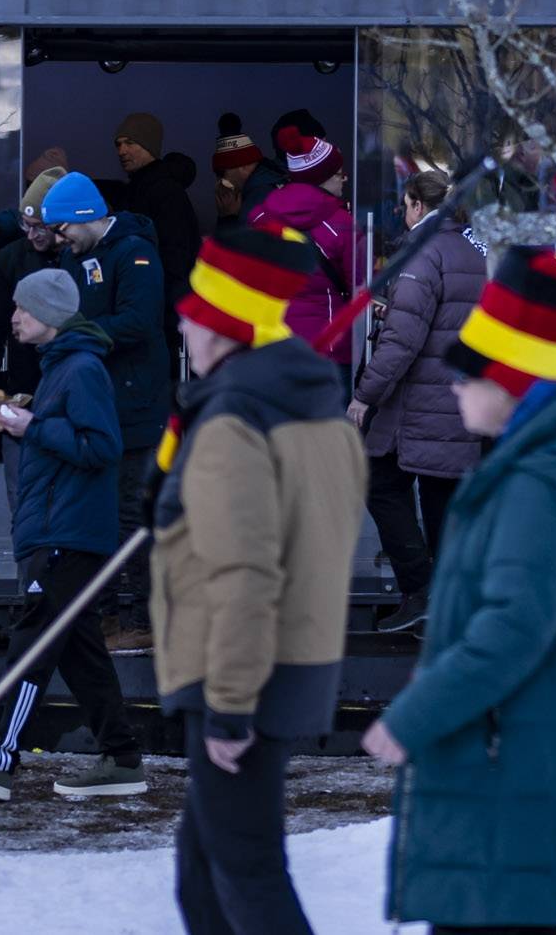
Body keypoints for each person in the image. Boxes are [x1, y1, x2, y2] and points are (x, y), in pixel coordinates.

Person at [363, 249, 556, 933]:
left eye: (469, 373)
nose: (456, 389)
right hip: (522, 761)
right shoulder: (539, 466)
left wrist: (412, 715)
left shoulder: (538, 483)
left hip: (510, 766)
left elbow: (512, 629)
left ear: (509, 381)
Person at [157, 223, 367, 935]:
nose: (183, 318)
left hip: (241, 673)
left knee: (246, 871)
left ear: (224, 329)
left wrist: (230, 706)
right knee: (203, 872)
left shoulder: (234, 423)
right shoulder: (319, 410)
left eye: (197, 309)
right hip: (283, 665)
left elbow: (245, 573)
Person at [0, 266, 148, 799]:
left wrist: (31, 426)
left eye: (24, 309)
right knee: (81, 654)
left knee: (33, 645)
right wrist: (19, 418)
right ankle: (123, 760)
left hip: (66, 535)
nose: (13, 317)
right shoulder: (65, 367)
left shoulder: (79, 369)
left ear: (51, 317)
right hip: (65, 531)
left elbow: (101, 447)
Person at [0, 167, 171, 552]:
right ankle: (95, 606)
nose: (55, 239)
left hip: (134, 406)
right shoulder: (68, 257)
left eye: (58, 228)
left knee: (132, 514)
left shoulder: (135, 251)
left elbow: (138, 321)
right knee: (93, 515)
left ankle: (138, 610)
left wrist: (72, 338)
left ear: (81, 217)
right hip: (82, 405)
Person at [347, 162, 478, 635]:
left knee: (381, 484)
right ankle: (446, 607)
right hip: (463, 399)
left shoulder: (422, 255)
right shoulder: (472, 246)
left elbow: (402, 340)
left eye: (404, 206)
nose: (402, 215)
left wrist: (365, 395)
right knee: (444, 503)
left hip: (421, 401)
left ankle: (421, 592)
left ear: (418, 206)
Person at [243, 112, 358, 353]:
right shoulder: (341, 224)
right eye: (338, 173)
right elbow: (361, 286)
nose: (344, 179)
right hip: (327, 350)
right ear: (322, 177)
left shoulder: (259, 217)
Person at [110, 115, 206, 354]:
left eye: (130, 142)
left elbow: (177, 255)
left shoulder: (166, 193)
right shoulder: (136, 189)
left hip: (162, 315)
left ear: (149, 145)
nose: (122, 150)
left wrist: (163, 309)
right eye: (118, 144)